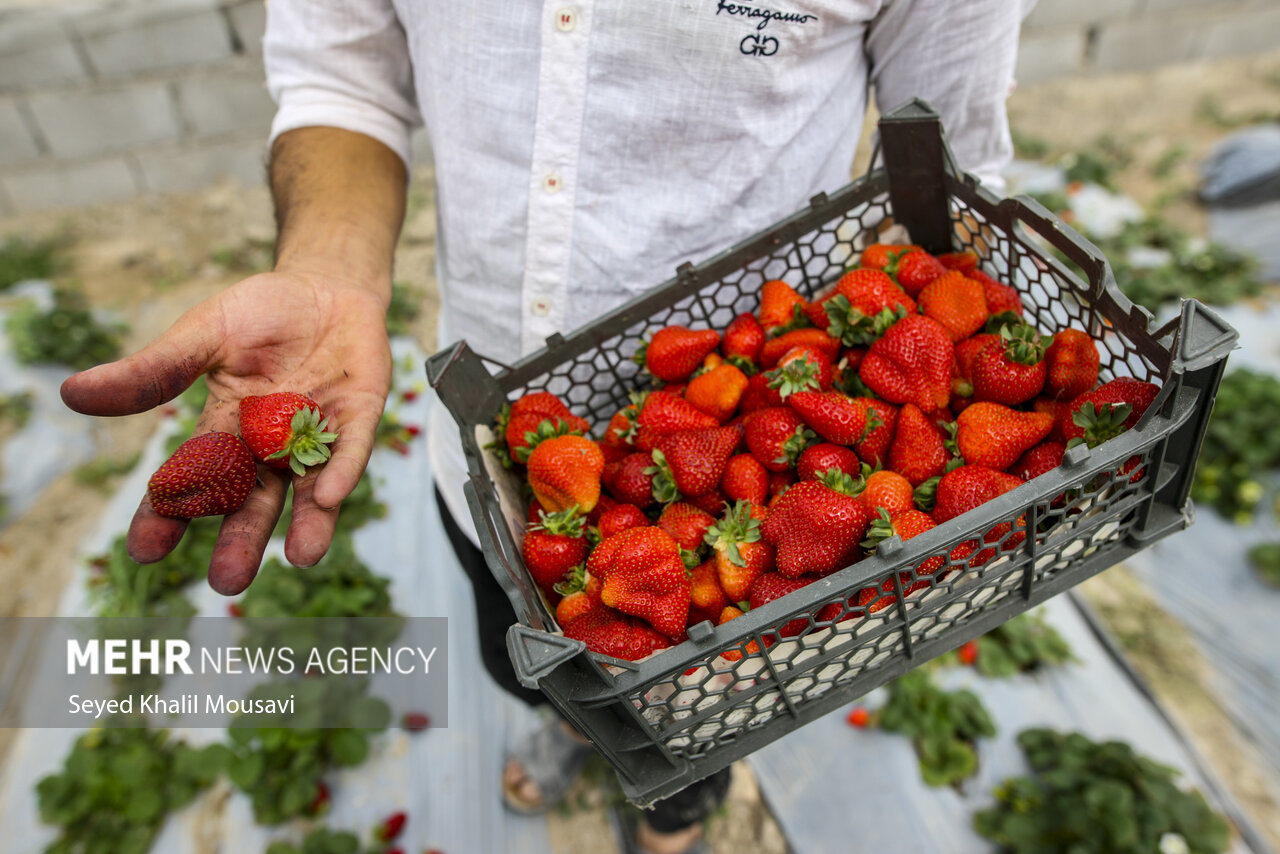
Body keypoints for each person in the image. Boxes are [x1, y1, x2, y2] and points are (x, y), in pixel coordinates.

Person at [60, 1, 1023, 851]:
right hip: (491, 452)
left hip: (767, 404)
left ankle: (678, 812)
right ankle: (571, 735)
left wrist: (997, 394)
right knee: (534, 655)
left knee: (700, 709)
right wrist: (329, 269)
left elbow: (943, 156)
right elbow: (341, 74)